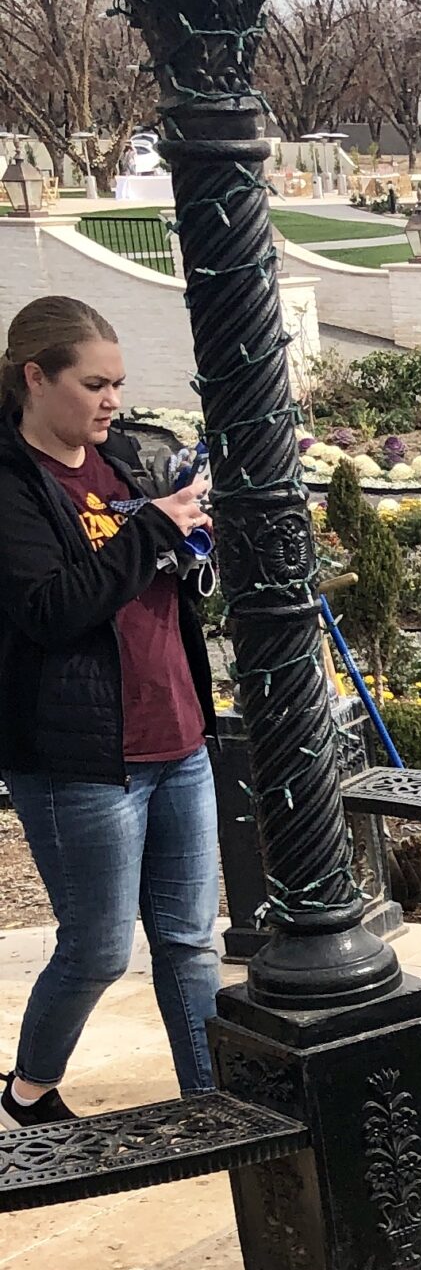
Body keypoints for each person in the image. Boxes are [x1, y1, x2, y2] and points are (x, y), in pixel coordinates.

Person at [0, 296, 218, 1123]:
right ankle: (27, 1089)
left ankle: (212, 1106)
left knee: (191, 942)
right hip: (81, 759)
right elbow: (49, 609)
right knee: (96, 946)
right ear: (35, 377)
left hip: (178, 735)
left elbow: (151, 581)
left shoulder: (121, 461)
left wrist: (191, 542)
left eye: (119, 384)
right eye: (94, 384)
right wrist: (148, 536)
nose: (111, 402)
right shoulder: (13, 484)